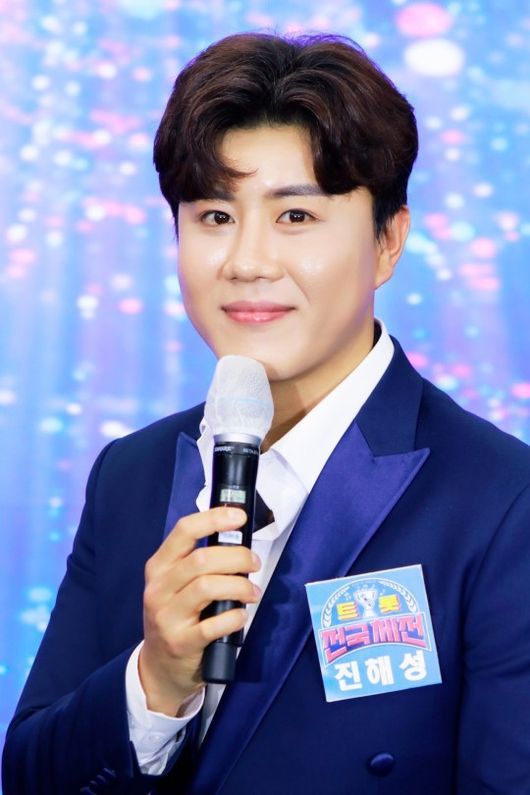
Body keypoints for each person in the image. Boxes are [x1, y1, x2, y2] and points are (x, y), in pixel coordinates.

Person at [3, 31, 530, 795]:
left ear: (388, 241)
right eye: (215, 216)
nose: (247, 261)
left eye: (296, 217)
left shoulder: (502, 500)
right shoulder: (131, 471)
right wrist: (154, 681)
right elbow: (29, 774)